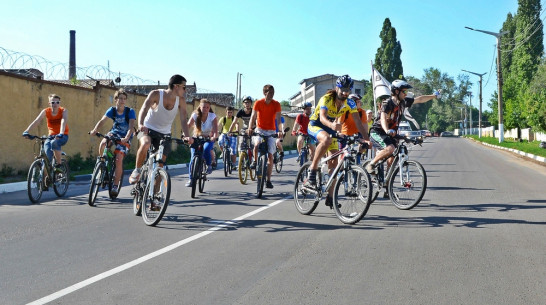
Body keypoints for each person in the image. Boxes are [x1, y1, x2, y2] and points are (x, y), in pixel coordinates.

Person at [303, 75, 369, 208]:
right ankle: (312, 170)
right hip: (316, 125)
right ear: (337, 88)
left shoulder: (350, 103)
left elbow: (358, 121)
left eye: (348, 90)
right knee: (326, 139)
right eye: (343, 89)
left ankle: (330, 196)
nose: (345, 93)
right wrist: (332, 126)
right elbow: (322, 118)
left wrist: (366, 139)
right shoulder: (327, 98)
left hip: (331, 128)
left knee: (334, 165)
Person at [365, 80, 439, 176]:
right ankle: (371, 164)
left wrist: (433, 96)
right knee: (390, 148)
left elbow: (419, 99)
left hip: (392, 133)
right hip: (378, 132)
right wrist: (387, 130)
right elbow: (383, 118)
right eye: (404, 91)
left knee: (393, 156)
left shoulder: (403, 102)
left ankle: (387, 182)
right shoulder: (387, 103)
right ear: (396, 91)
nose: (406, 93)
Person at [129, 74, 192, 184]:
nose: (185, 90)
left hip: (165, 134)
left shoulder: (181, 100)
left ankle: (155, 197)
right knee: (145, 144)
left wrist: (187, 136)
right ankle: (137, 170)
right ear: (176, 86)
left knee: (160, 165)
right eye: (184, 87)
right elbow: (144, 109)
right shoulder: (156, 94)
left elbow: (183, 120)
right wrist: (140, 124)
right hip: (146, 129)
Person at [89, 89, 136, 195]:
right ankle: (101, 163)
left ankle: (115, 185)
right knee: (103, 143)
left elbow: (131, 127)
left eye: (124, 99)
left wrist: (127, 138)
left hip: (125, 136)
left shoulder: (130, 111)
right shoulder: (112, 110)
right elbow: (102, 120)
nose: (122, 101)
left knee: (119, 159)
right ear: (116, 100)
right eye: (120, 98)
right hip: (114, 133)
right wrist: (95, 130)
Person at [247, 84, 282, 189]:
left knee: (270, 156)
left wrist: (280, 130)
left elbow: (279, 119)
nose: (271, 95)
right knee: (257, 144)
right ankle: (255, 161)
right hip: (260, 129)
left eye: (273, 93)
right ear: (264, 93)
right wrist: (250, 128)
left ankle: (268, 180)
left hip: (271, 131)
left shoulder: (276, 104)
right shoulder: (258, 103)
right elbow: (253, 116)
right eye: (270, 93)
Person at [22, 94, 69, 171]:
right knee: (47, 159)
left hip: (63, 136)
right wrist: (27, 131)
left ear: (59, 103)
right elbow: (37, 121)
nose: (55, 104)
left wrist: (61, 133)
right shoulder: (46, 111)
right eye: (53, 102)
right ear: (49, 103)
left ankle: (59, 165)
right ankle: (46, 179)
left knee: (54, 142)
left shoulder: (63, 111)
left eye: (57, 102)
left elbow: (63, 120)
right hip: (50, 136)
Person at [185, 99, 218, 186]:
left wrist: (214, 137)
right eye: (204, 107)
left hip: (208, 138)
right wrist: (185, 136)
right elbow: (188, 126)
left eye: (207, 107)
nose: (205, 109)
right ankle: (191, 180)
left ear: (209, 108)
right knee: (192, 158)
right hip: (196, 138)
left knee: (207, 149)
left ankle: (208, 165)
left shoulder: (212, 116)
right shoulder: (195, 115)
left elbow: (215, 129)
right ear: (200, 107)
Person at [338, 93, 369, 163]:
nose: (360, 103)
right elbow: (339, 123)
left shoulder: (362, 112)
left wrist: (366, 137)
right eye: (358, 102)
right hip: (345, 134)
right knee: (343, 152)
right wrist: (339, 134)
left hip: (357, 134)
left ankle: (358, 157)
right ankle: (340, 170)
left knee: (364, 145)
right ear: (353, 103)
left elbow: (365, 125)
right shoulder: (345, 110)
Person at [229, 96, 253, 163]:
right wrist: (229, 131)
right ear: (243, 104)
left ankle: (255, 161)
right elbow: (234, 122)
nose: (247, 104)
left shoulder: (253, 111)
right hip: (244, 129)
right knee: (241, 144)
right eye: (245, 102)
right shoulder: (241, 111)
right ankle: (241, 161)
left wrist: (254, 129)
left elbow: (257, 121)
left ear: (251, 103)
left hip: (253, 129)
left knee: (253, 145)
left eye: (249, 102)